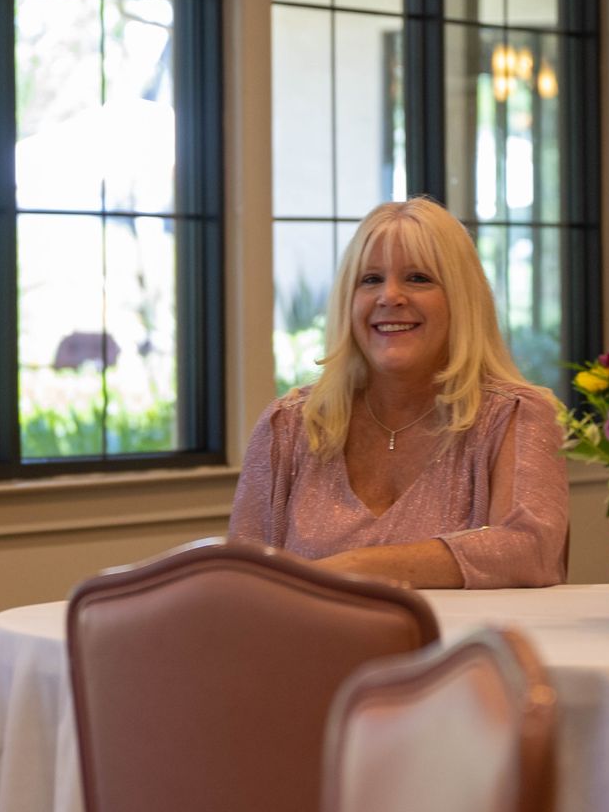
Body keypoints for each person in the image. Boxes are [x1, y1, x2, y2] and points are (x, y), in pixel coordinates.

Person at [229, 196, 567, 588]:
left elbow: (528, 551)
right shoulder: (287, 425)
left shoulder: (517, 415)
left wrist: (348, 569)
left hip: (460, 650)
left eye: (418, 278)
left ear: (462, 299)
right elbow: (243, 580)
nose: (390, 296)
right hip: (309, 649)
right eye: (370, 280)